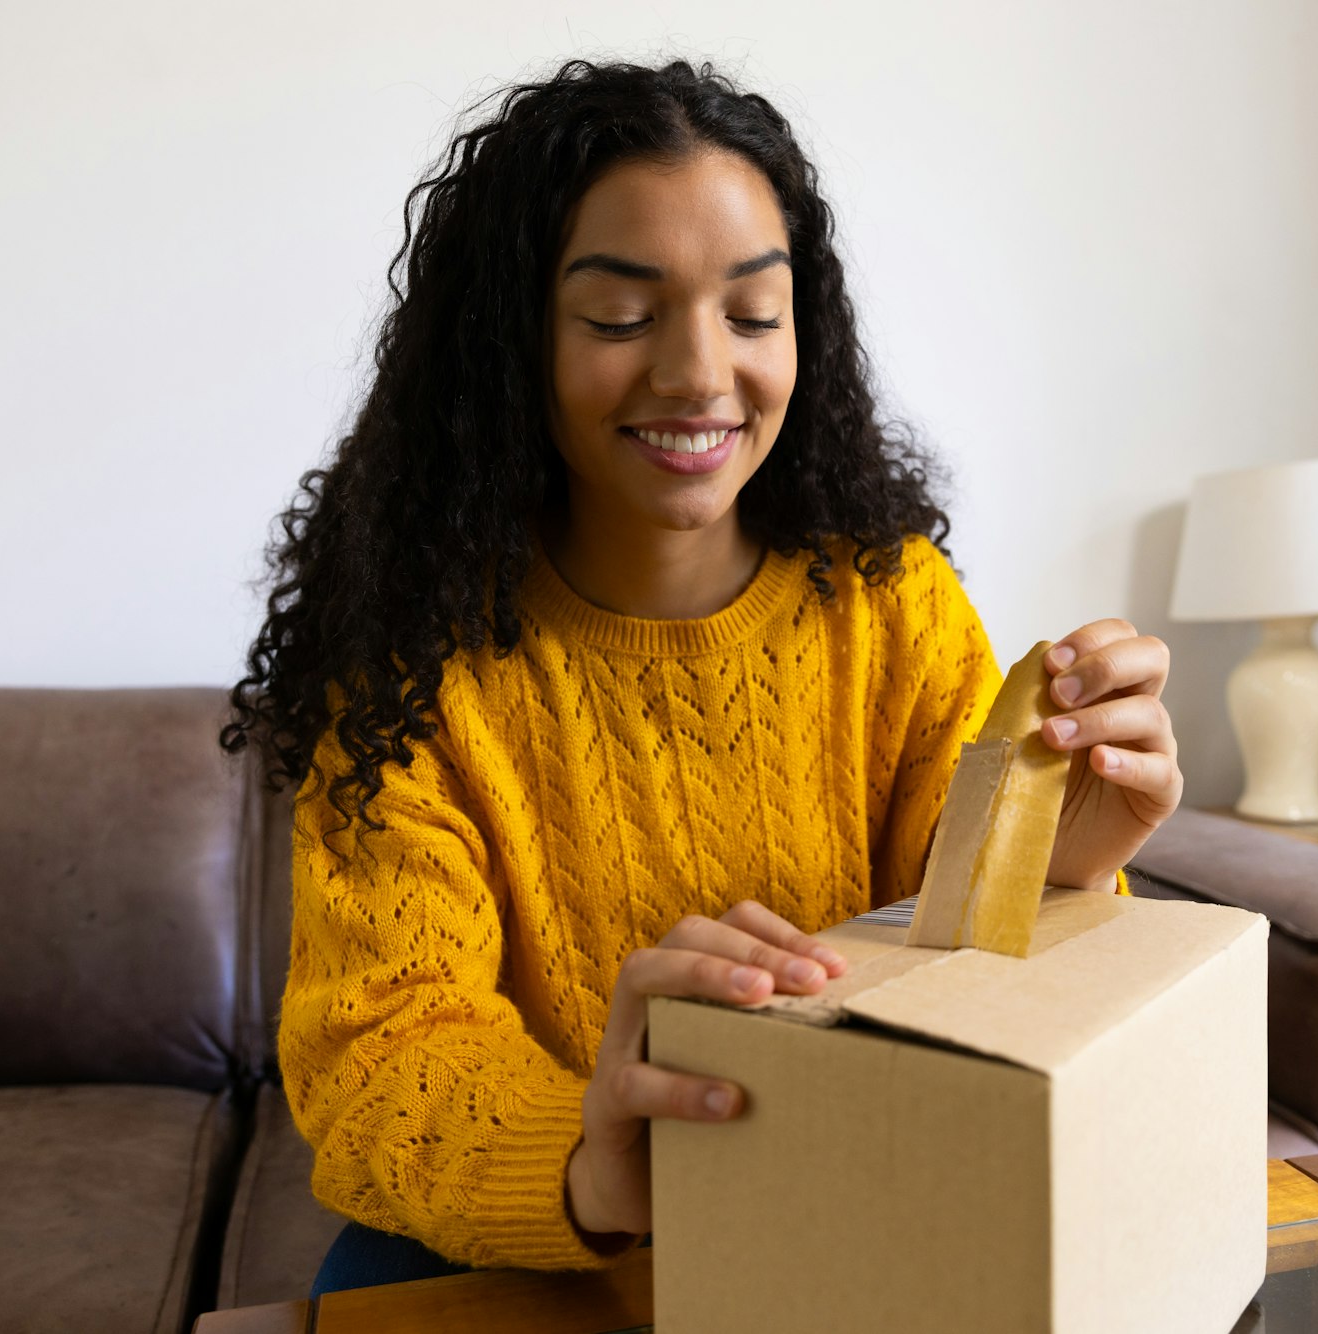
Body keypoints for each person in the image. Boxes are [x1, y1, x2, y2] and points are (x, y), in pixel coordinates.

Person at [221, 57, 1183, 1297]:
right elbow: (381, 1057)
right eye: (621, 316)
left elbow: (969, 991)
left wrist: (1060, 863)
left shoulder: (889, 606)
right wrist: (595, 1158)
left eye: (750, 313)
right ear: (512, 338)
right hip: (528, 1243)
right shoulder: (411, 668)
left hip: (846, 1217)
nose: (695, 373)